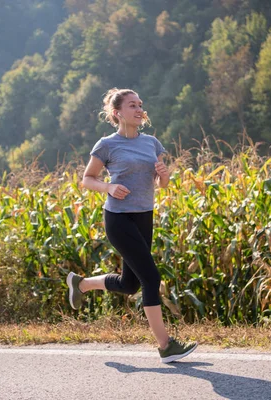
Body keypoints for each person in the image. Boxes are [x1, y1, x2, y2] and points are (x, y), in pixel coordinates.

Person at [66, 87, 197, 363]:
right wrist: (109, 187)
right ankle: (166, 346)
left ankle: (82, 285)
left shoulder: (151, 143)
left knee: (130, 284)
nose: (139, 110)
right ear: (117, 113)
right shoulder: (107, 144)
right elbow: (87, 180)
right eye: (132, 106)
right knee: (151, 278)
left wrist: (164, 175)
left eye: (140, 105)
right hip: (119, 219)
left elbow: (162, 184)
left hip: (143, 216)